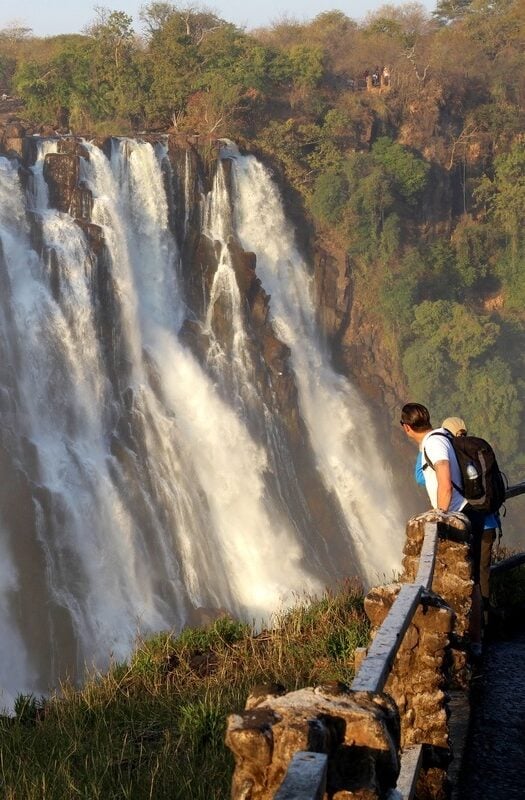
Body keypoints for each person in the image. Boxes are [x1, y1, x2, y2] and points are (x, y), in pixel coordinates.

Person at [400, 403, 484, 653]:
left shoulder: (432, 443)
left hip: (457, 514)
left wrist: (440, 514)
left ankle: (470, 642)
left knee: (466, 579)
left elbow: (445, 478)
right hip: (465, 512)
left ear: (406, 427)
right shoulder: (442, 436)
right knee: (471, 580)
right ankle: (475, 641)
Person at [442, 416, 500, 625]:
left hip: (466, 524)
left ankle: (471, 626)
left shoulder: (452, 453)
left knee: (469, 574)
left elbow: (420, 477)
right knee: (483, 572)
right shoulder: (478, 448)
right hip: (489, 523)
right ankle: (486, 622)